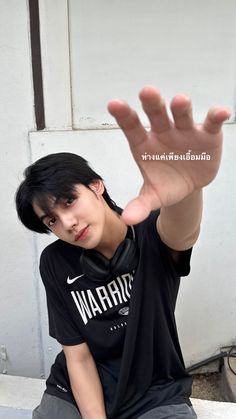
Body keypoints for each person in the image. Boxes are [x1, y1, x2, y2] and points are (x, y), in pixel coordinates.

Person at [15, 86, 230, 419]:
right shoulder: (55, 262)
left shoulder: (151, 234)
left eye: (69, 200)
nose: (67, 223)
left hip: (155, 391)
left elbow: (183, 231)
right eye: (51, 219)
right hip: (74, 391)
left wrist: (188, 188)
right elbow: (78, 357)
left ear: (96, 186)